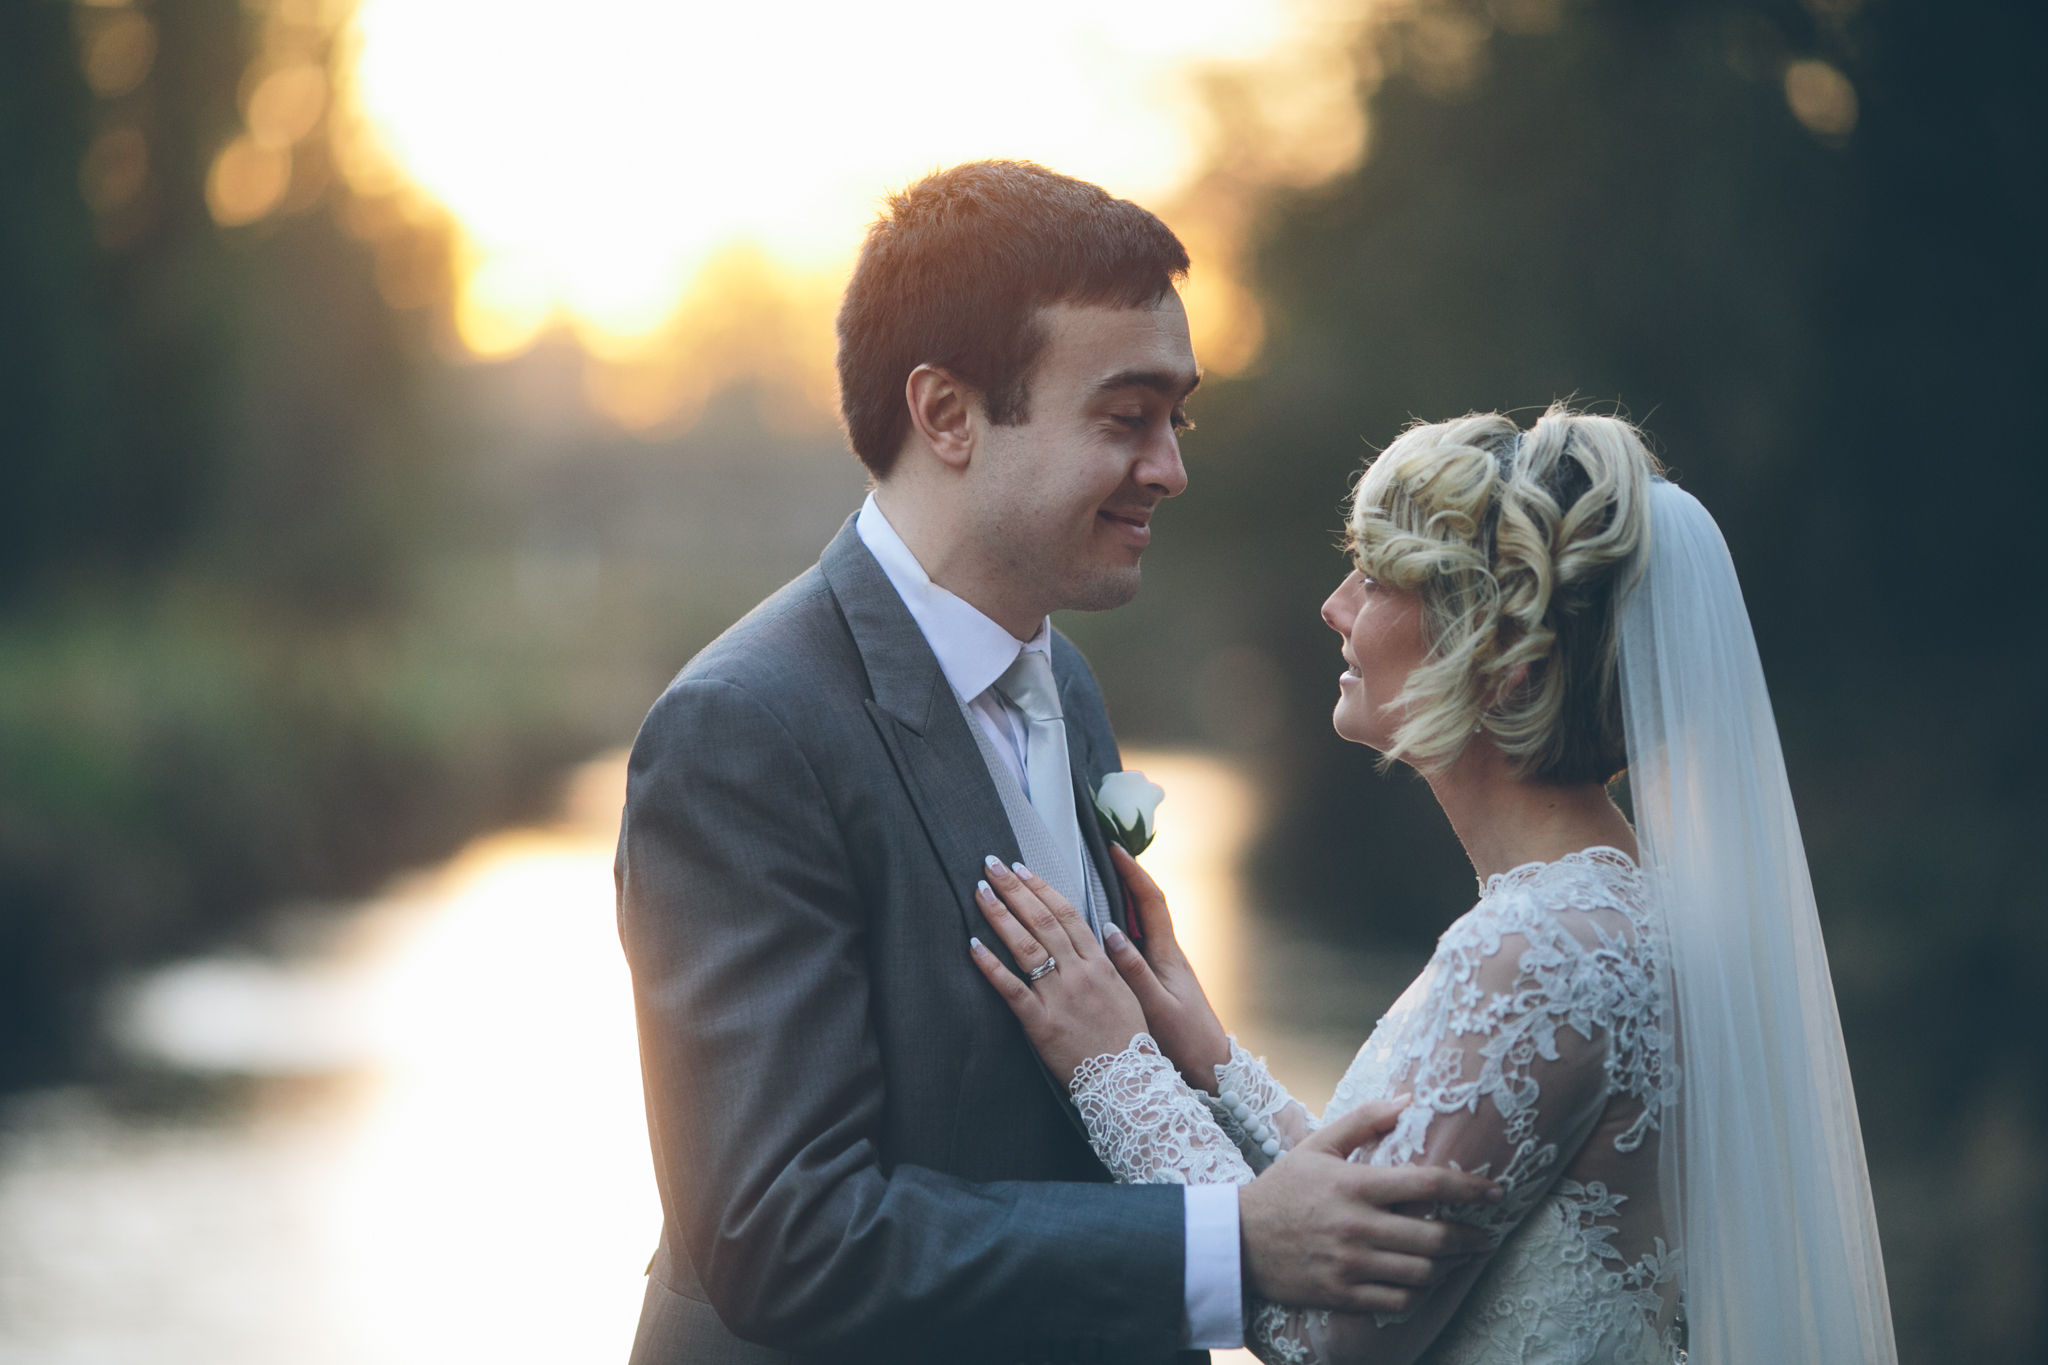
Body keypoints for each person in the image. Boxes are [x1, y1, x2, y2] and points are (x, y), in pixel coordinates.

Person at [615, 160, 1502, 1365]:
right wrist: (1231, 1247)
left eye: (1175, 419)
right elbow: (785, 1233)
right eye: (1123, 417)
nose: (1170, 469)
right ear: (947, 415)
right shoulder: (741, 732)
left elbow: (1077, 1107)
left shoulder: (1068, 684)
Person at [969, 406, 1899, 1363]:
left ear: (1498, 667)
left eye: (1373, 578)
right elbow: (1364, 1202)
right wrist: (1205, 1053)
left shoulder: (1543, 954)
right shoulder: (1604, 914)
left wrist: (1113, 1068)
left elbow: (1322, 1331)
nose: (1333, 604)